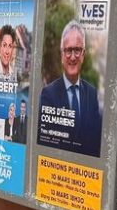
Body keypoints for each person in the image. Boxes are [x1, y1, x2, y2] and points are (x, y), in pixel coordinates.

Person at [38, 22, 102, 157]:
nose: (73, 57)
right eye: (68, 50)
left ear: (83, 55)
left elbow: (95, 142)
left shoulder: (91, 93)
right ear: (62, 55)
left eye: (77, 50)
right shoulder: (48, 95)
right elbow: (49, 144)